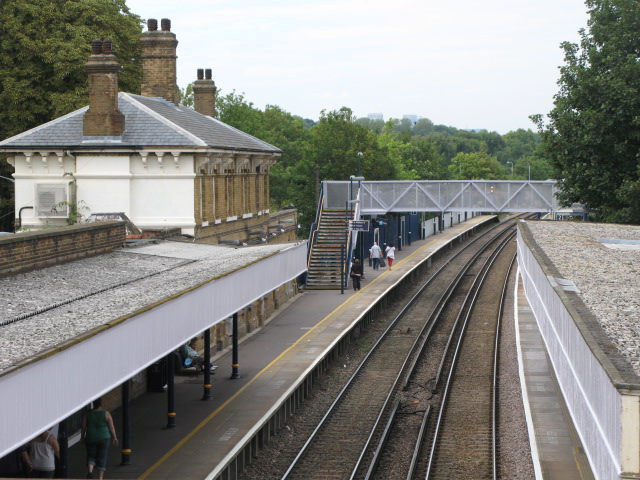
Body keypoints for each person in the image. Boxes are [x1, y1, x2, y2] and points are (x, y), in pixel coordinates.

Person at [82, 397, 118, 479]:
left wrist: (82, 437)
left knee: (91, 456)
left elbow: (83, 427)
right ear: (101, 403)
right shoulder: (106, 413)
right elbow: (111, 427)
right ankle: (100, 478)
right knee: (102, 457)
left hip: (91, 437)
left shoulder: (88, 413)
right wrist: (115, 437)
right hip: (104, 437)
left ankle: (90, 472)